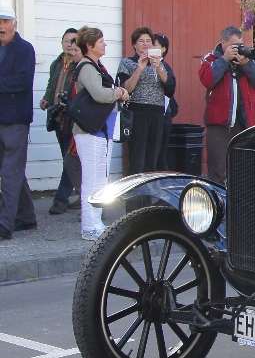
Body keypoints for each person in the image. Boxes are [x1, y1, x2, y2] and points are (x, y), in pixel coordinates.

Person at [72, 26, 129, 240]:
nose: (105, 44)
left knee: (100, 178)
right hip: (90, 131)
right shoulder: (87, 67)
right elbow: (98, 94)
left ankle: (96, 222)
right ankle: (89, 226)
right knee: (92, 178)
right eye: (101, 41)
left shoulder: (98, 66)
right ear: (89, 45)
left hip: (101, 129)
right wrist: (119, 92)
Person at [199, 26, 255, 185]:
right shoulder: (210, 59)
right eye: (235, 46)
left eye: (241, 45)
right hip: (220, 124)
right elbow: (207, 79)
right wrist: (224, 60)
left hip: (245, 123)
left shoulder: (250, 62)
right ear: (223, 43)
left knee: (244, 169)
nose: (239, 49)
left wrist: (246, 65)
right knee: (217, 169)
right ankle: (217, 205)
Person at [0, 5, 38, 239]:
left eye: (5, 21)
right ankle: (26, 217)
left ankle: (5, 225)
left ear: (15, 23)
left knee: (10, 172)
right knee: (13, 171)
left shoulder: (25, 49)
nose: (1, 26)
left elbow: (22, 81)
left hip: (15, 121)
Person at [117, 27, 173, 176]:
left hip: (157, 115)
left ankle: (148, 198)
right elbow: (125, 89)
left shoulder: (162, 65)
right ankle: (134, 198)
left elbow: (170, 89)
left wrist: (159, 69)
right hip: (137, 114)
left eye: (149, 41)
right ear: (134, 44)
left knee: (152, 160)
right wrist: (139, 69)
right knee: (137, 158)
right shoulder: (128, 63)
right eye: (141, 41)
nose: (146, 44)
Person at [40, 28, 83, 214]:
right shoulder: (57, 63)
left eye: (73, 41)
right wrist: (47, 98)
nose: (69, 44)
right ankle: (84, 195)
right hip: (57, 117)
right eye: (66, 40)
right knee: (68, 159)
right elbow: (52, 83)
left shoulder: (79, 63)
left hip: (71, 118)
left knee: (69, 159)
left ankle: (61, 199)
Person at [152, 33, 178, 171]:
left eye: (154, 44)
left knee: (160, 155)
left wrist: (159, 69)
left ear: (163, 48)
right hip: (147, 116)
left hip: (163, 115)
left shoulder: (164, 67)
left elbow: (170, 87)